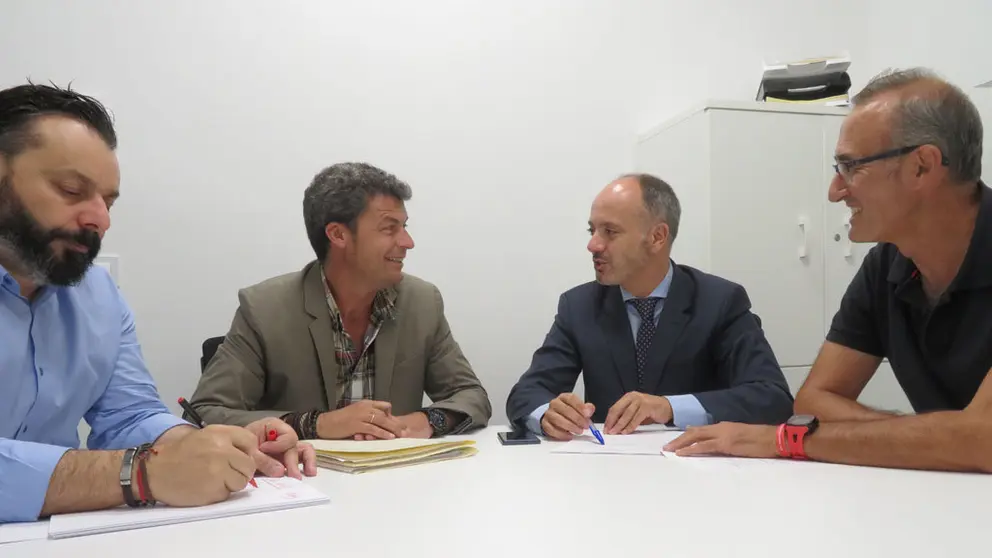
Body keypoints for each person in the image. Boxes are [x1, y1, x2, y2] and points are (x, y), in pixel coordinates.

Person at [0, 84, 316, 524]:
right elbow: (138, 467)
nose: (101, 219)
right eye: (72, 190)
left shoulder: (98, 295)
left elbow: (129, 415)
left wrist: (214, 449)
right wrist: (139, 475)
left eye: (108, 202)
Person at [665, 68, 992, 473]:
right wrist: (937, 439)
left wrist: (786, 440)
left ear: (922, 167)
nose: (835, 190)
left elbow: (983, 441)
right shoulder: (886, 267)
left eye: (851, 166)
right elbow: (814, 401)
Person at [189, 162, 492, 440]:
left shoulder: (422, 302)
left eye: (405, 227)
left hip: (400, 482)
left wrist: (423, 421)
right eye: (389, 228)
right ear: (338, 235)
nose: (407, 243)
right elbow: (206, 413)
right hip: (305, 484)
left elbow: (471, 396)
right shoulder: (265, 308)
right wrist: (317, 424)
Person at [505, 173, 793, 440]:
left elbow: (772, 399)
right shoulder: (579, 306)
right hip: (608, 471)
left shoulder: (719, 301)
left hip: (699, 472)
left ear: (657, 237)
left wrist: (668, 407)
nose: (593, 245)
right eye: (592, 230)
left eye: (610, 232)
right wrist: (547, 414)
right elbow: (526, 394)